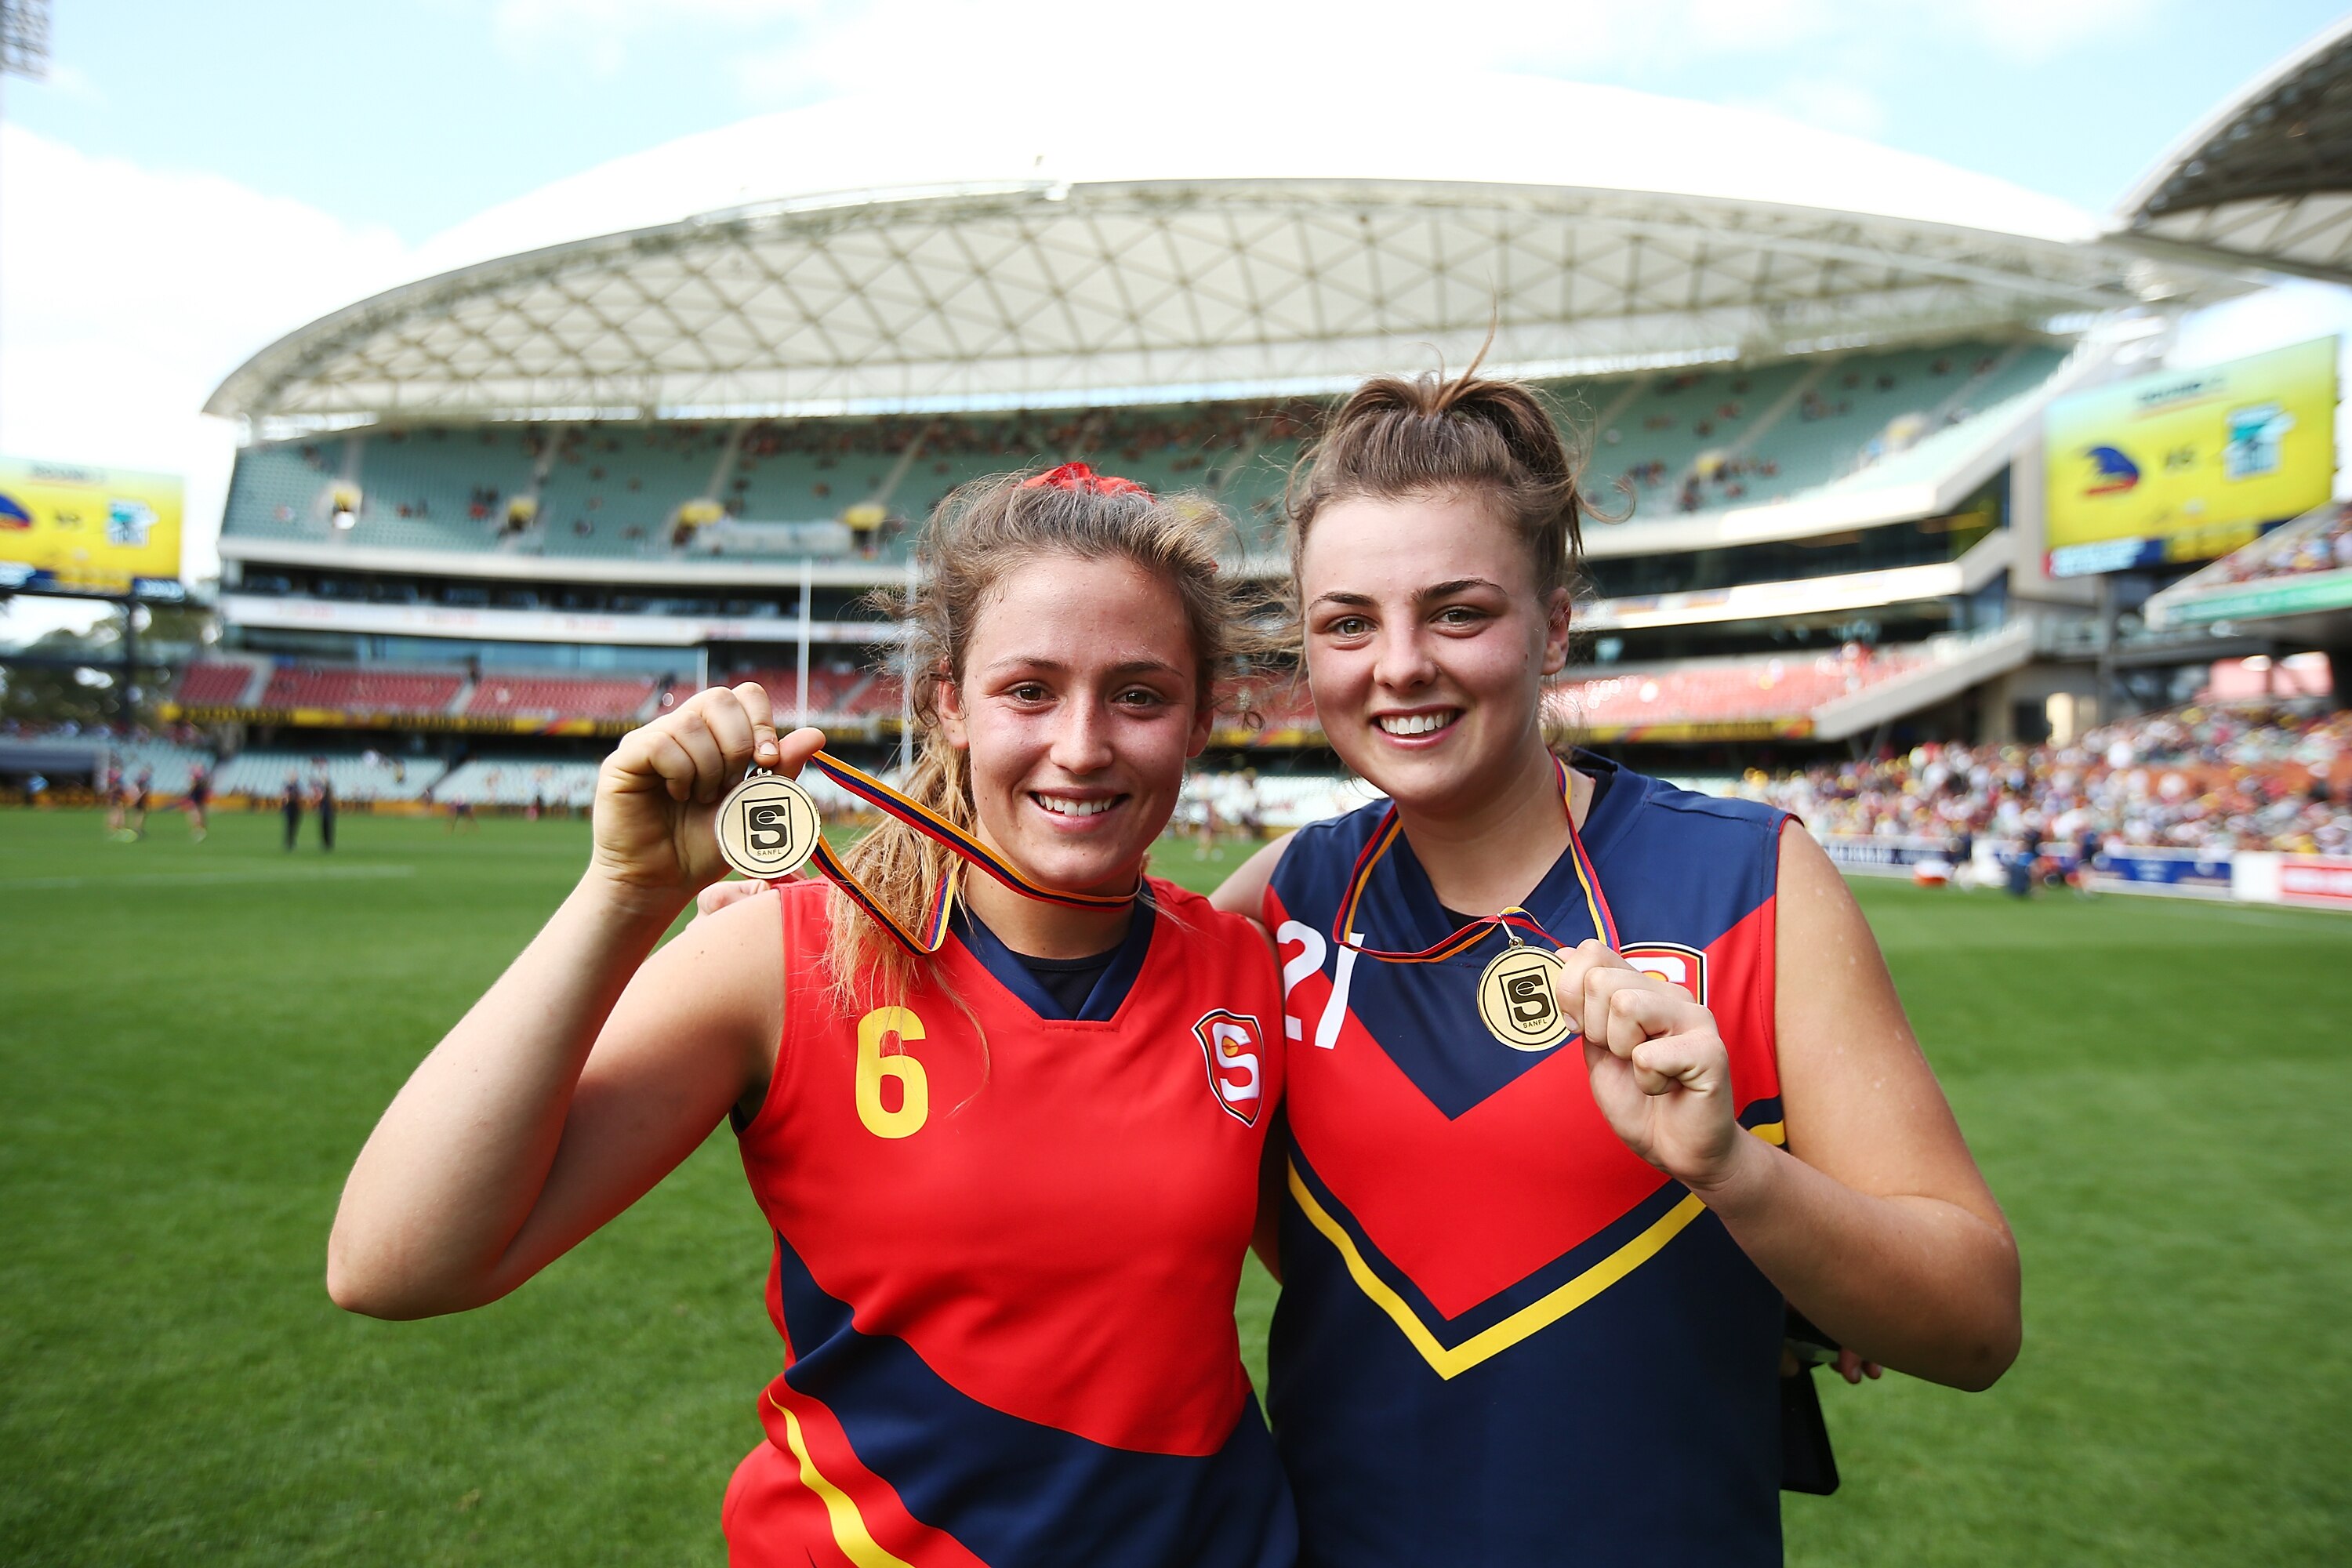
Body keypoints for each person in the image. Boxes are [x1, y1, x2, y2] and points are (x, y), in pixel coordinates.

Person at [328, 467, 1297, 1568]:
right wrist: (623, 896)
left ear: (1203, 716)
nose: (1081, 744)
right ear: (948, 701)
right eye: (1028, 689)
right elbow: (394, 1264)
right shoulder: (785, 956)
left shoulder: (1245, 965)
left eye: (1139, 694)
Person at [1214, 367, 2018, 1566]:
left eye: (1459, 611)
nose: (1399, 665)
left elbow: (1974, 1326)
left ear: (1556, 625)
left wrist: (1738, 1179)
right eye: (1348, 623)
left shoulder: (1756, 884)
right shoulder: (1275, 905)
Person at [184, 764, 211, 842]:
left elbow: (192, 786)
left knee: (196, 814)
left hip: (197, 797)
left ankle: (199, 829)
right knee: (198, 813)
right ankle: (200, 828)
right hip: (198, 797)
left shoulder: (197, 779)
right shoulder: (203, 778)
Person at [281, 773, 303, 851]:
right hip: (290, 809)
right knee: (289, 825)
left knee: (294, 826)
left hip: (296, 809)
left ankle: (292, 840)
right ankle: (288, 841)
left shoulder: (297, 787)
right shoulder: (288, 787)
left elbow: (299, 796)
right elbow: (285, 797)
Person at [317, 775, 338, 852]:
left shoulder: (329, 790)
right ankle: (325, 842)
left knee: (329, 828)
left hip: (329, 811)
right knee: (323, 827)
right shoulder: (321, 790)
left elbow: (332, 800)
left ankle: (329, 842)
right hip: (323, 811)